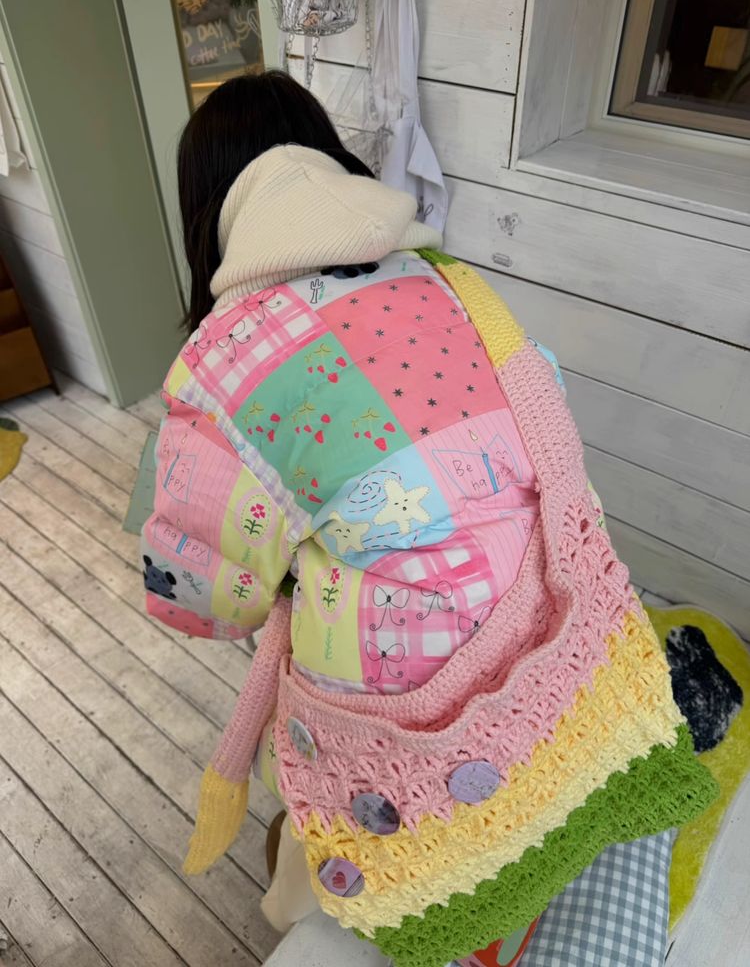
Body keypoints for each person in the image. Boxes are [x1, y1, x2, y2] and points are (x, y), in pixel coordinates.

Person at [141, 71, 715, 967]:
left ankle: (335, 896)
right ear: (330, 155)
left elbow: (204, 602)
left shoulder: (225, 368)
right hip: (546, 653)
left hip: (405, 733)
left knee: (314, 779)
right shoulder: (450, 281)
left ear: (206, 209)